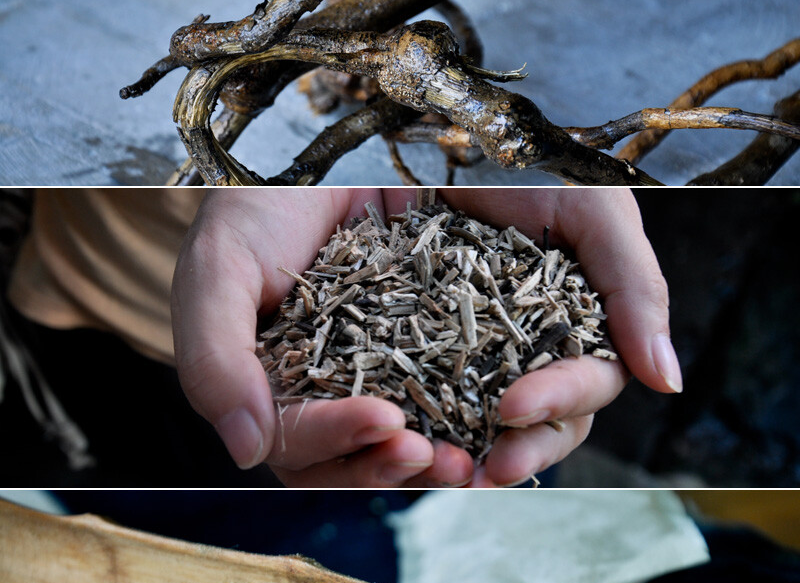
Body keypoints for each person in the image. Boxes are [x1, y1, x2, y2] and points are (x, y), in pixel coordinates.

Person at [3, 187, 681, 488]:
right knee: (180, 491)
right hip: (100, 302)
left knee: (500, 450)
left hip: (432, 392)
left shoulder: (495, 290)